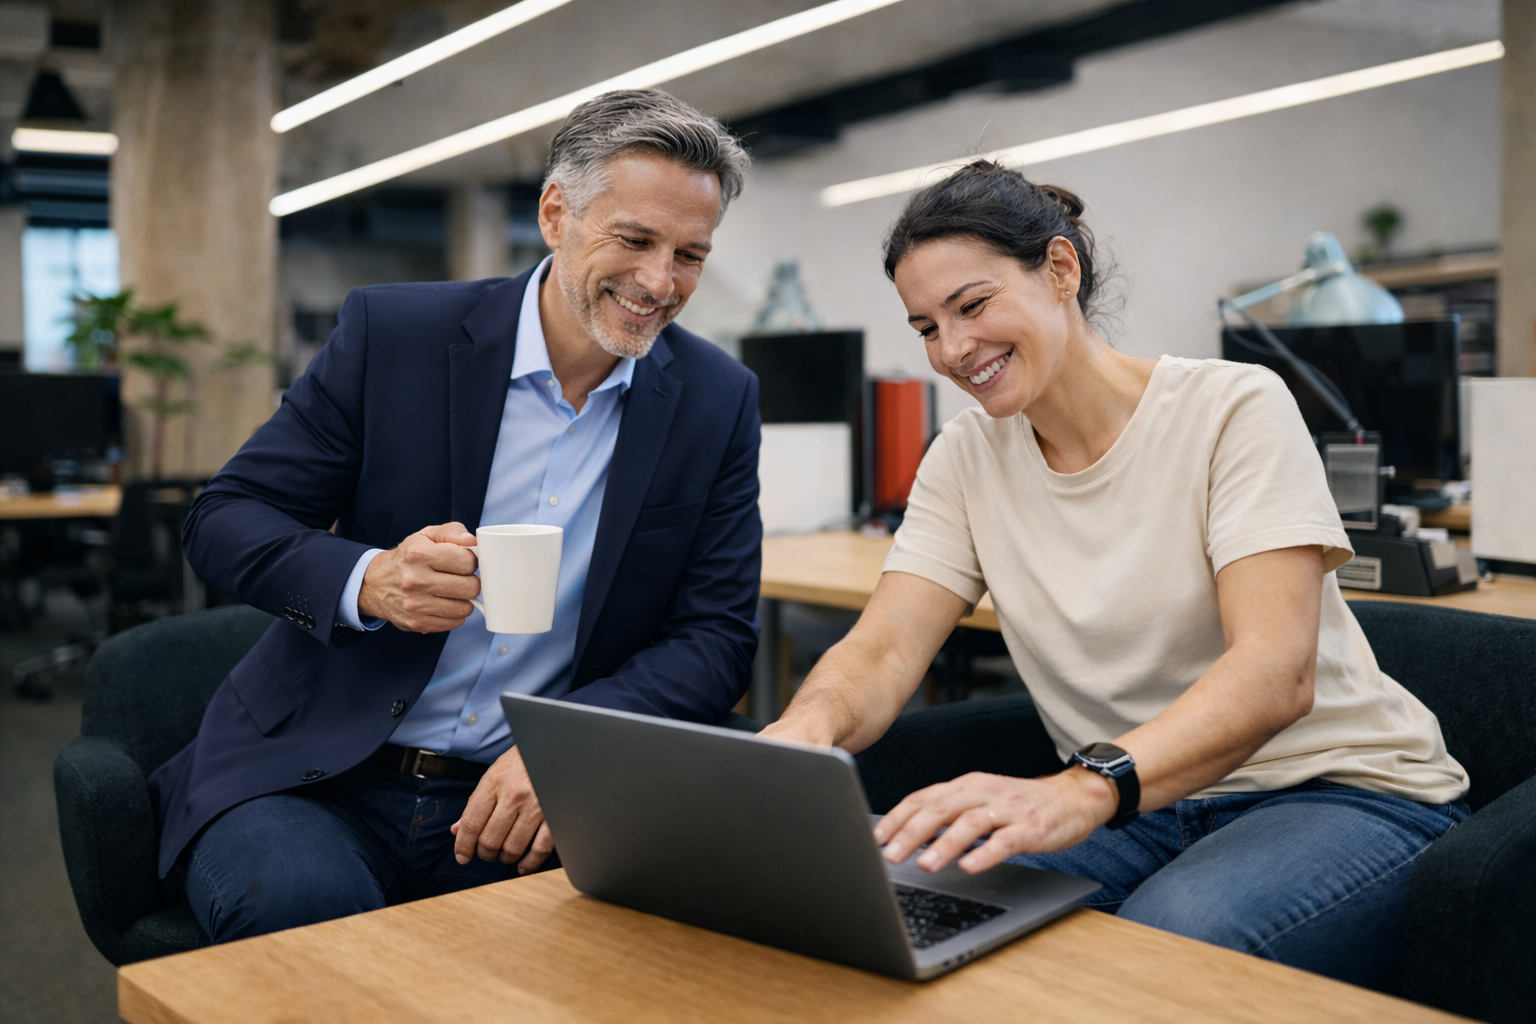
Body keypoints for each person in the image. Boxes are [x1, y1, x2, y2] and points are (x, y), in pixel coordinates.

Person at [762, 161, 1468, 992]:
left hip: (1333, 791)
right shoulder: (964, 456)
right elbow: (882, 650)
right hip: (1139, 806)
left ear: (1061, 271)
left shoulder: (1234, 408)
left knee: (1164, 944)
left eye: (973, 305)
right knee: (896, 903)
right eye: (925, 326)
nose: (951, 350)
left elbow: (1277, 672)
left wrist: (1080, 792)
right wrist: (799, 735)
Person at [154, 89, 762, 942]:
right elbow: (225, 516)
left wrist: (571, 755)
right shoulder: (394, 333)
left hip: (529, 799)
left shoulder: (716, 400)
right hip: (318, 778)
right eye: (633, 240)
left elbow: (717, 636)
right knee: (309, 926)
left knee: (653, 954)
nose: (660, 284)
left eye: (689, 255)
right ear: (557, 214)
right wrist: (368, 581)